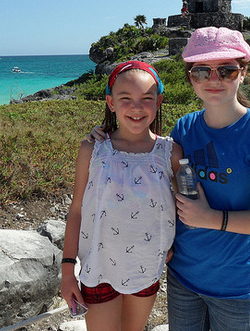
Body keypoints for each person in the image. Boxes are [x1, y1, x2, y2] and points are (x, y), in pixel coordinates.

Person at [89, 27, 250, 330]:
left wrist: (212, 219)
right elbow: (153, 174)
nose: (214, 79)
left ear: (242, 73)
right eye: (201, 71)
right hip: (182, 278)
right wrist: (104, 135)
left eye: (226, 70)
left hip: (235, 285)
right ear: (191, 77)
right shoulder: (185, 128)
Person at [61, 60, 183, 331]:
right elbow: (77, 210)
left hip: (146, 266)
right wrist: (68, 271)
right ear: (111, 102)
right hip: (98, 268)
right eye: (125, 98)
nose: (136, 107)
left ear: (158, 102)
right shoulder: (93, 149)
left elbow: (187, 207)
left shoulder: (170, 153)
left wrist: (175, 244)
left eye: (146, 98)